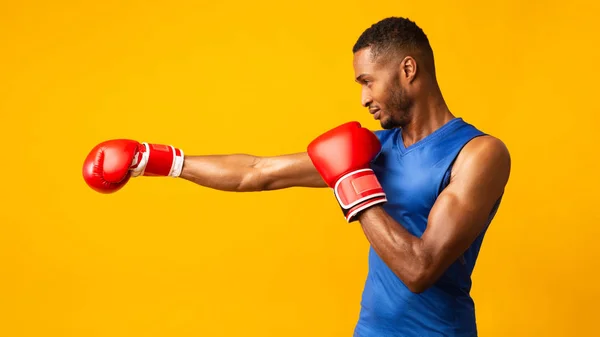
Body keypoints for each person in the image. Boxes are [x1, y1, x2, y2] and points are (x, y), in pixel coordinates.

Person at [82, 17, 511, 337]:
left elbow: (421, 268)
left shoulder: (478, 154)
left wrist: (352, 183)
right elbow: (257, 172)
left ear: (408, 70)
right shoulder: (375, 150)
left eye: (368, 81)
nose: (363, 98)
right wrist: (155, 160)